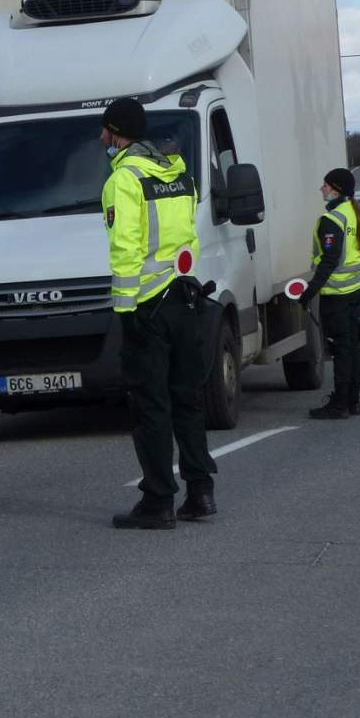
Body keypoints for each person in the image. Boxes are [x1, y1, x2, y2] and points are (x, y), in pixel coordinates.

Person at [100, 97, 219, 529]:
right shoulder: (177, 172)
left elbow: (126, 249)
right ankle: (200, 492)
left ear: (116, 132)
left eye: (105, 132)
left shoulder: (124, 179)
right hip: (185, 298)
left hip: (148, 306)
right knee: (187, 399)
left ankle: (157, 502)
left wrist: (126, 310)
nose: (101, 139)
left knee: (151, 406)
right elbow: (185, 237)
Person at [299, 168, 360, 420]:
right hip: (354, 289)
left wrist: (309, 291)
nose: (322, 189)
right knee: (351, 345)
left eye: (325, 185)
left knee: (340, 349)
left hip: (336, 293)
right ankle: (354, 401)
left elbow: (329, 260)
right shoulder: (356, 214)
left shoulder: (332, 220)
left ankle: (339, 405)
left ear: (336, 189)